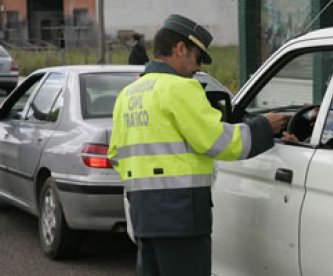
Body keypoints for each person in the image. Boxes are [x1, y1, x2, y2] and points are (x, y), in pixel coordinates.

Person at [108, 14, 288, 276]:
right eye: (197, 58)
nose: (199, 68)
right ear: (179, 49)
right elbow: (219, 141)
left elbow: (115, 154)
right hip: (181, 218)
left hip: (143, 216)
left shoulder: (128, 94)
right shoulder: (181, 88)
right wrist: (265, 127)